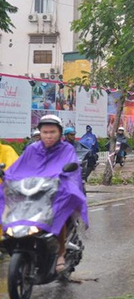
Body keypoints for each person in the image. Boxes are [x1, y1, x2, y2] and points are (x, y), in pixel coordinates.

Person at [0, 115, 87, 272]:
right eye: (44, 132)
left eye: (52, 132)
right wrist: (7, 177)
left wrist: (62, 181)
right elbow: (18, 169)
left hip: (58, 192)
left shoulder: (67, 149)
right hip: (37, 192)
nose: (48, 135)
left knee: (57, 214)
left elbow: (72, 171)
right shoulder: (32, 149)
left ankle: (60, 253)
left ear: (60, 133)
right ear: (39, 133)